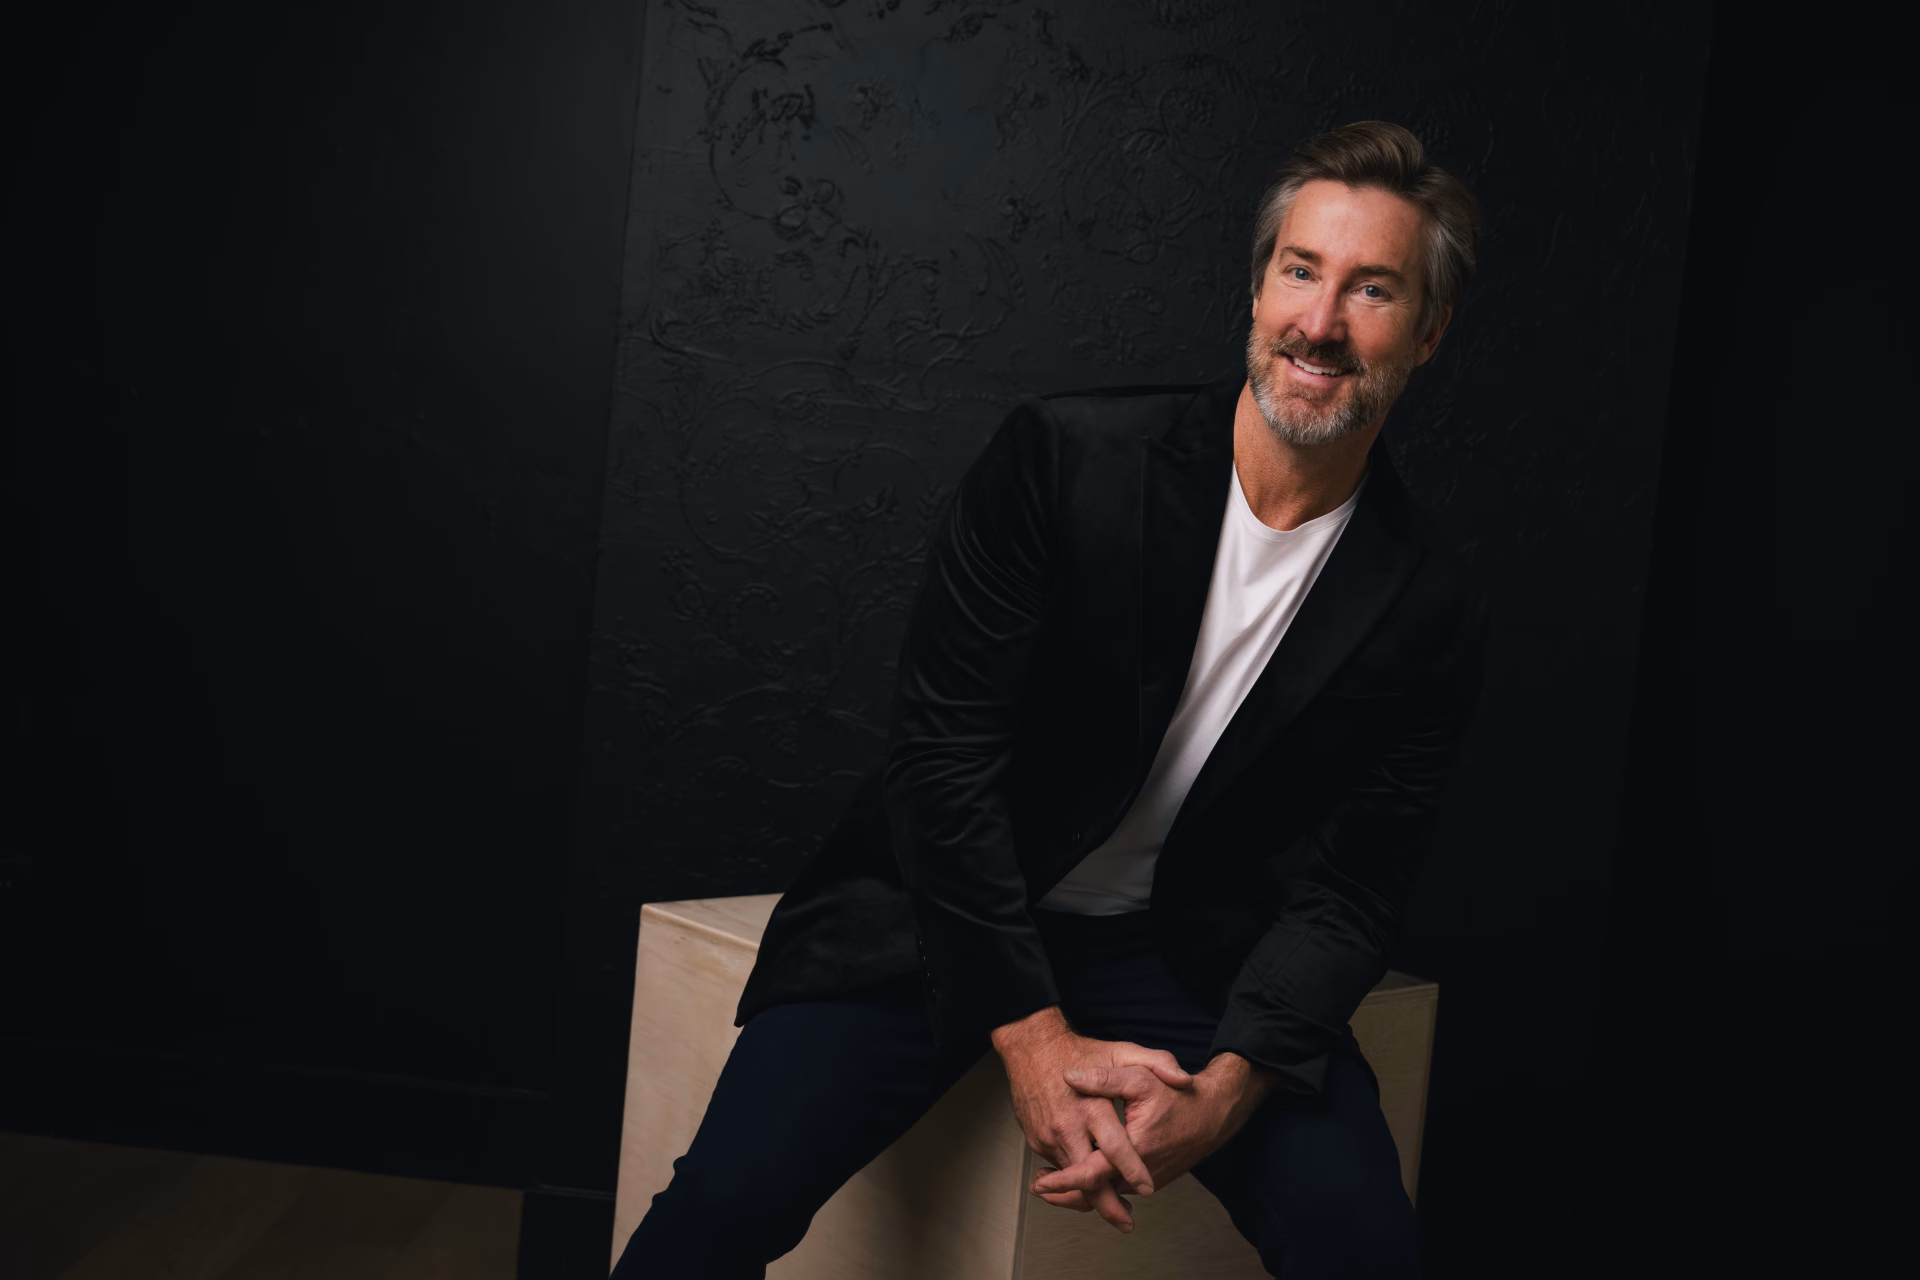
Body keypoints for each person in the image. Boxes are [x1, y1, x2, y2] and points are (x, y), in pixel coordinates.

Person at [613, 120, 1487, 1279]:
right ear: (1259, 287)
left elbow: (1354, 888)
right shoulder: (1066, 457)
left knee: (1366, 1242)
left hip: (1179, 953)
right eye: (1300, 270)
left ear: (1428, 331)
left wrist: (1227, 1094)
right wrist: (1033, 1042)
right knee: (725, 1198)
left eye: (1371, 289)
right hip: (943, 911)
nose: (1319, 323)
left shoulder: (1428, 599)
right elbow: (941, 759)